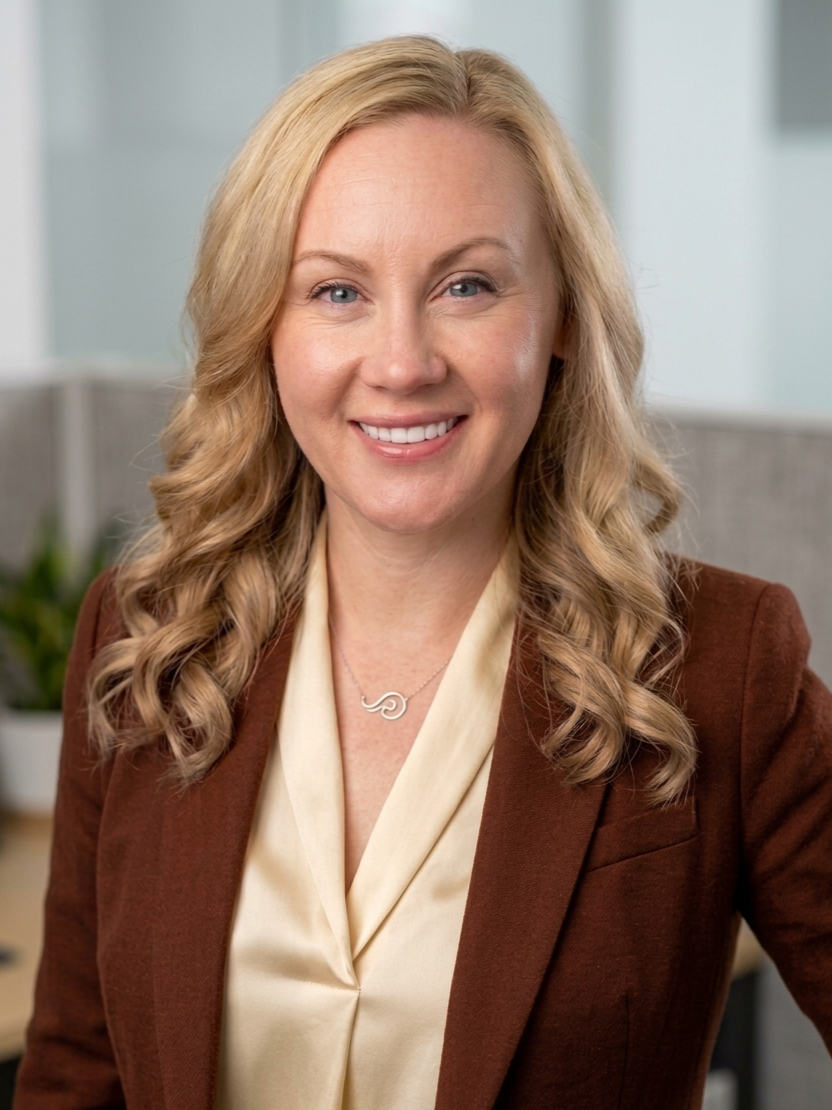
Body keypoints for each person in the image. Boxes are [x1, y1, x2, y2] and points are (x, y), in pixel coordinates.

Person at [14, 36, 832, 1110]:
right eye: (336, 293)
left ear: (563, 324)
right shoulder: (145, 639)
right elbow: (76, 1076)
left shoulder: (717, 667)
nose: (401, 363)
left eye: (466, 285)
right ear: (265, 330)